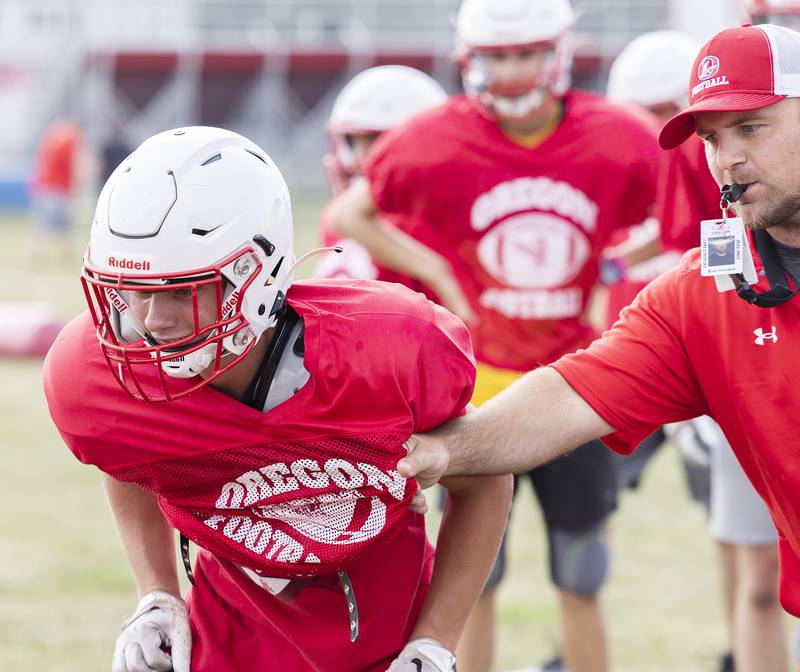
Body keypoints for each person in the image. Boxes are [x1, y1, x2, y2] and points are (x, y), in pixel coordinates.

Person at [399, 23, 800, 672]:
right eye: (712, 139)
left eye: (751, 127)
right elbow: (570, 395)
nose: (727, 159)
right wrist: (443, 450)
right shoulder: (701, 294)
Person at [42, 126, 512, 672]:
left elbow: (485, 477)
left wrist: (435, 642)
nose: (151, 322)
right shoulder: (97, 375)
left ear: (253, 276)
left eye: (180, 292)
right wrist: (157, 593)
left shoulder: (388, 350)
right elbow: (124, 450)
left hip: (388, 638)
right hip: (230, 641)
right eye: (134, 292)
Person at [334, 2, 660, 670]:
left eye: (527, 54)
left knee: (582, 572)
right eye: (499, 56)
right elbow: (349, 214)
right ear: (469, 59)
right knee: (473, 580)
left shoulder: (619, 134)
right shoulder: (434, 137)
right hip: (479, 395)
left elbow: (695, 198)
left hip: (577, 388)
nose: (512, 73)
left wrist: (615, 268)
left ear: (560, 52)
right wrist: (442, 277)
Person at [316, 64, 447, 285]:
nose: (362, 159)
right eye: (355, 143)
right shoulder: (342, 217)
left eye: (383, 146)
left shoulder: (344, 217)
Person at [29, 117, 83, 261]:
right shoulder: (70, 139)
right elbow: (71, 164)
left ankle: (38, 253)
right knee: (64, 224)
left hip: (44, 186)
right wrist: (76, 184)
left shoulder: (54, 136)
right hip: (59, 188)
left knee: (44, 223)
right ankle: (65, 255)